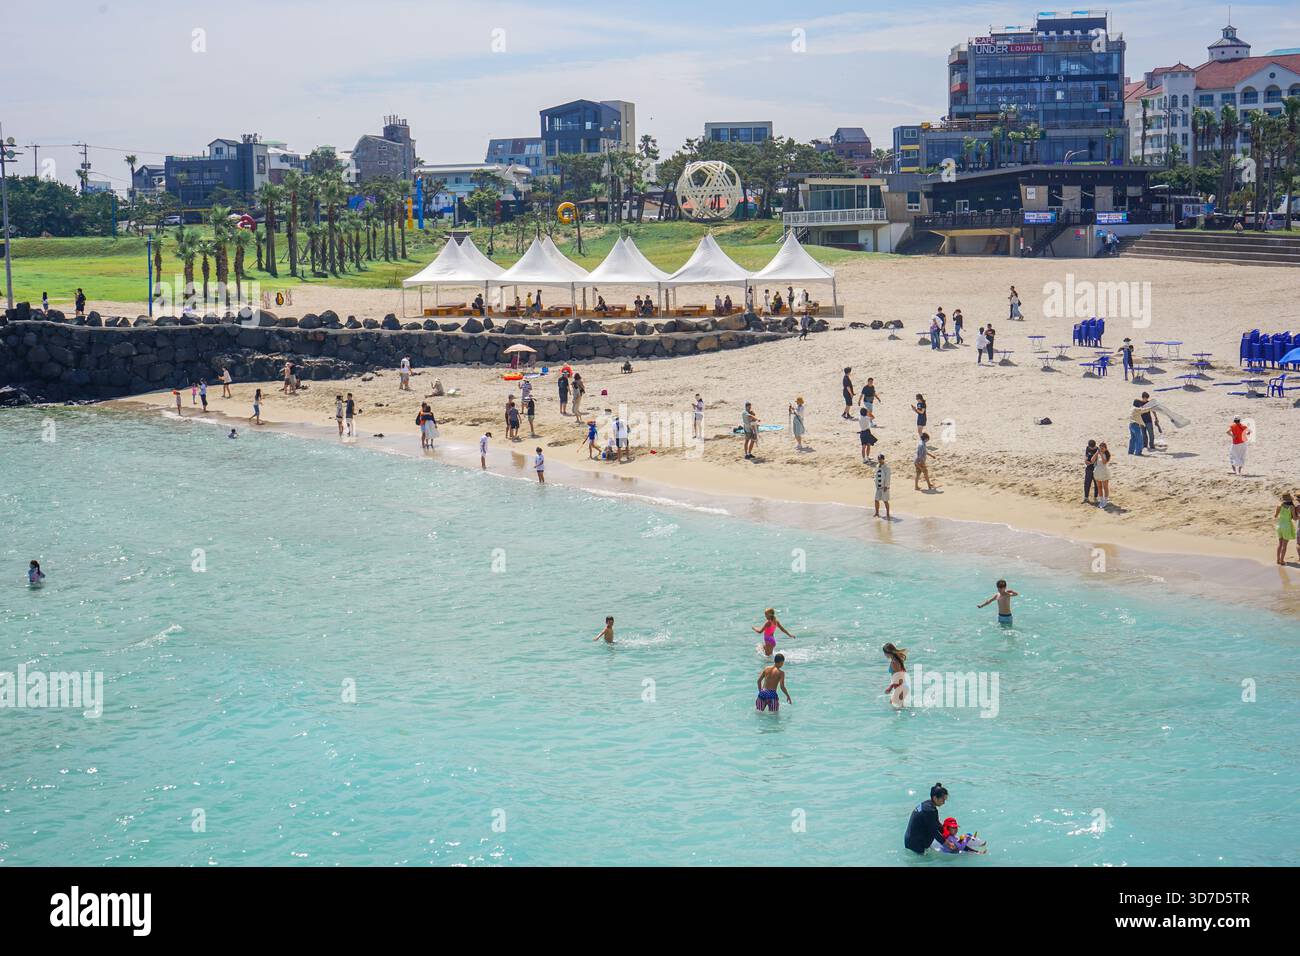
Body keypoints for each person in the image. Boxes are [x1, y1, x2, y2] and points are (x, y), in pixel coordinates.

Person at [904, 784, 949, 855]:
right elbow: (934, 832)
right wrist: (948, 844)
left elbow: (936, 824)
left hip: (910, 840)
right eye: (943, 799)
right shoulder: (929, 811)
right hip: (916, 845)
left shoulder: (928, 805)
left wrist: (948, 832)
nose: (944, 802)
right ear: (935, 798)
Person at [883, 643, 908, 707]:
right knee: (898, 707)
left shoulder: (894, 662)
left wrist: (890, 688)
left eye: (884, 653)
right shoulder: (897, 659)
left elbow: (900, 678)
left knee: (897, 709)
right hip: (901, 687)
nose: (884, 655)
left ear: (888, 653)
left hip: (900, 687)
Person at [1276, 492, 1297, 565]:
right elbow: (1294, 518)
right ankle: (1282, 560)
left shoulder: (1279, 505)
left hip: (1279, 525)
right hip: (1287, 526)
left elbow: (1275, 516)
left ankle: (1278, 560)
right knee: (1284, 545)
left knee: (1280, 544)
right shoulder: (1291, 507)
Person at [1090, 442, 1111, 507]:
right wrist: (1097, 453)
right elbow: (1092, 460)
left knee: (1105, 487)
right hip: (1097, 471)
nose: (1101, 449)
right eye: (1100, 448)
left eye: (1102, 448)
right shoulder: (1097, 454)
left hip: (1104, 472)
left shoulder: (1107, 455)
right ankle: (1101, 500)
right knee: (1099, 487)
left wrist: (1101, 454)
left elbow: (1104, 462)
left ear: (1105, 448)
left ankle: (1105, 500)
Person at [873, 454, 891, 519]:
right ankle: (877, 513)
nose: (879, 460)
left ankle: (888, 514)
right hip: (878, 487)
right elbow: (875, 475)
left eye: (880, 459)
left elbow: (887, 478)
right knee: (876, 500)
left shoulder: (887, 468)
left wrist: (886, 486)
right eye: (879, 459)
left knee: (885, 501)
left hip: (884, 487)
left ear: (883, 459)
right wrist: (875, 481)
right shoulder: (877, 466)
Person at [1083, 438, 1098, 504]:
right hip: (1089, 468)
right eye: (1090, 448)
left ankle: (1095, 498)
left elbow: (1096, 460)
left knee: (1096, 484)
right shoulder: (1087, 448)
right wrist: (1085, 461)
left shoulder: (1098, 450)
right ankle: (1086, 498)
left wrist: (1092, 462)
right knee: (1087, 483)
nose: (1091, 449)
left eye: (1092, 448)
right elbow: (1086, 456)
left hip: (1096, 468)